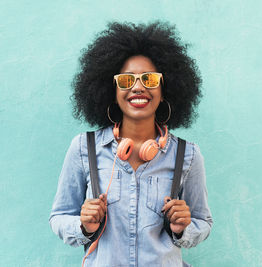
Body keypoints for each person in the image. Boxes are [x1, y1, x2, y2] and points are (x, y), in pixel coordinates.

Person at [49, 21, 212, 267]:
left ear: (164, 88)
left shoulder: (186, 155)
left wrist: (183, 229)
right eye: (126, 80)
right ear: (111, 89)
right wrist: (83, 226)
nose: (138, 87)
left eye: (150, 79)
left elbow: (203, 222)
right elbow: (59, 216)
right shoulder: (85, 148)